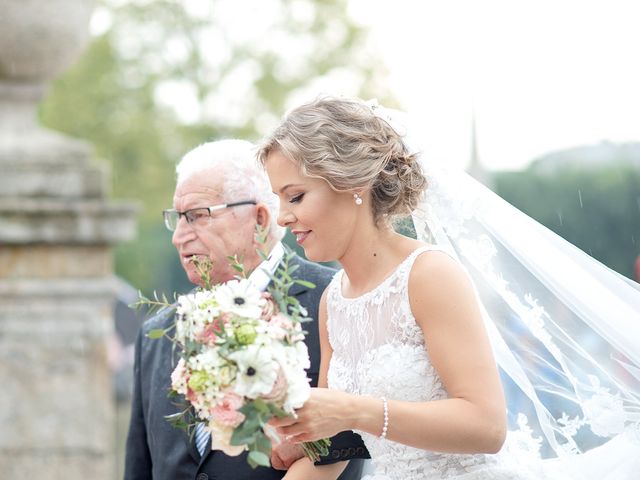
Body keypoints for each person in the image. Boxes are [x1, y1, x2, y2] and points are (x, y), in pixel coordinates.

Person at [258, 97, 640, 479]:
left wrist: (358, 411)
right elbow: (335, 449)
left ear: (353, 183)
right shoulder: (334, 300)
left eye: (295, 196)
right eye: (278, 199)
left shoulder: (429, 274)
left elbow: (487, 426)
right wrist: (299, 428)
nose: (283, 216)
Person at [124, 139, 368, 480]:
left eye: (196, 216)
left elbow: (346, 446)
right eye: (177, 219)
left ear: (259, 218)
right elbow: (140, 467)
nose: (179, 237)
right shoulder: (159, 330)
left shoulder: (338, 302)